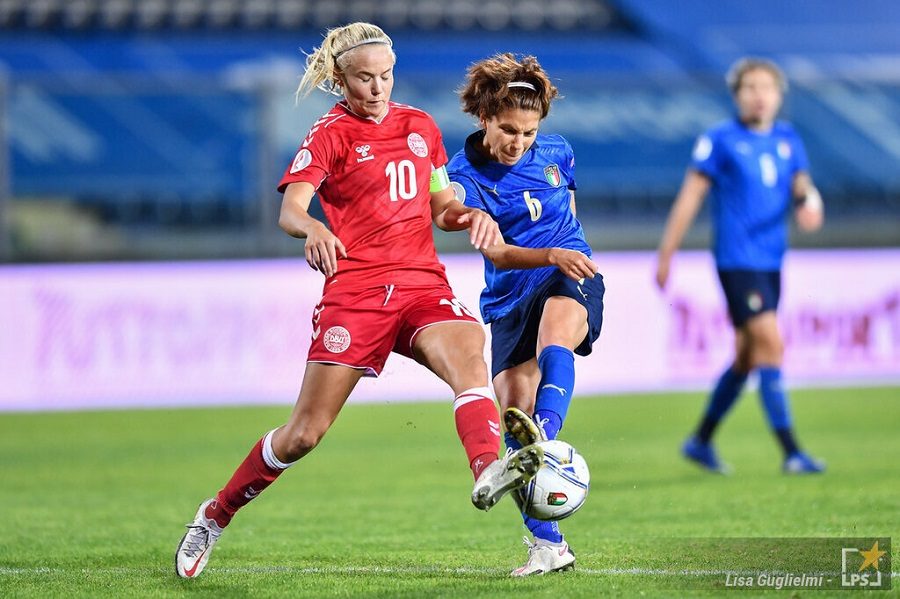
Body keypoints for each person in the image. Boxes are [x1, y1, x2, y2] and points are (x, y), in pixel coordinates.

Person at [174, 23, 545, 579]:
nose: (377, 88)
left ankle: (487, 468)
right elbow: (291, 210)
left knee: (470, 348)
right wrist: (313, 229)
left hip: (421, 282)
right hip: (358, 293)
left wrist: (470, 214)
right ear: (340, 78)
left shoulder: (420, 127)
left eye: (386, 76)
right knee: (304, 434)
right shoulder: (329, 134)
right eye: (364, 78)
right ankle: (215, 514)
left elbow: (442, 207)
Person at [447, 53, 605, 577]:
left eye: (530, 132)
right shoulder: (463, 173)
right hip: (510, 294)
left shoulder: (558, 151)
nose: (519, 142)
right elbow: (495, 253)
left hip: (567, 274)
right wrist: (469, 217)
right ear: (485, 118)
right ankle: (548, 545)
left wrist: (569, 254)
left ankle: (551, 437)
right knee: (512, 411)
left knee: (557, 330)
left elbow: (570, 216)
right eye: (509, 130)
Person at [655, 57, 826, 475]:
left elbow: (800, 181)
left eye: (766, 87)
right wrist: (666, 253)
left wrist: (807, 200)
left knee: (748, 357)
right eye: (750, 87)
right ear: (737, 95)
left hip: (771, 261)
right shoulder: (721, 139)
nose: (759, 95)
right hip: (737, 262)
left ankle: (700, 441)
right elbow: (691, 195)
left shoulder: (787, 137)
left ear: (779, 95)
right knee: (772, 344)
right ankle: (792, 452)